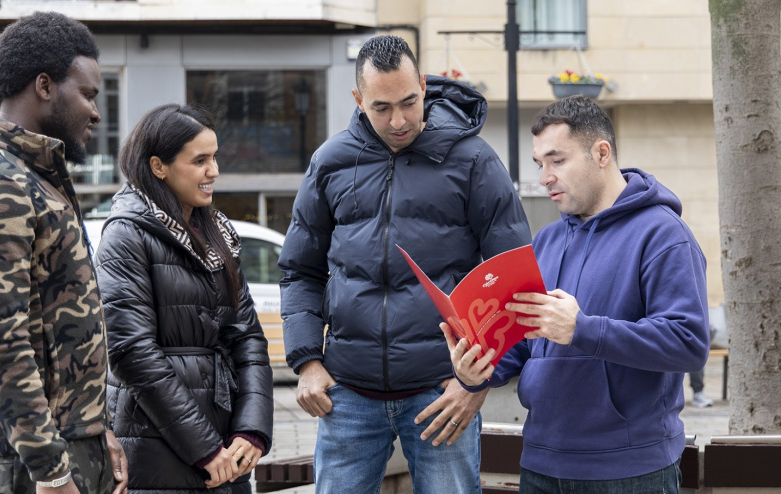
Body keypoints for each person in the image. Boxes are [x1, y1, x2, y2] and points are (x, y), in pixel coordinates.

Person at [278, 35, 531, 493]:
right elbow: (300, 271)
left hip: (443, 390)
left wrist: (475, 383)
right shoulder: (330, 162)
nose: (398, 121)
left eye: (409, 102)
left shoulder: (474, 160)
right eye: (381, 108)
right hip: (347, 393)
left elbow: (511, 275)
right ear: (358, 99)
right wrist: (307, 361)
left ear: (424, 85)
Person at [448, 95, 711, 493]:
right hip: (540, 462)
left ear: (601, 153)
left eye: (557, 160)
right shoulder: (546, 241)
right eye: (539, 164)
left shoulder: (664, 236)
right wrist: (479, 369)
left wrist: (581, 329)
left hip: (629, 470)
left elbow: (688, 343)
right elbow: (523, 341)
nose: (544, 177)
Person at [0, 12, 128, 494]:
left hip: (68, 444)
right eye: (87, 94)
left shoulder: (37, 179)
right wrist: (52, 471)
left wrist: (97, 428)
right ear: (45, 86)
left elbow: (63, 329)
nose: (95, 113)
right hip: (25, 462)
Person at [94, 103, 273, 493]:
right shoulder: (126, 235)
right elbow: (131, 351)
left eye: (215, 157)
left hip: (227, 451)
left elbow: (248, 338)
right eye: (200, 160)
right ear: (159, 166)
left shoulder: (218, 235)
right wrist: (204, 448)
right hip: (157, 449)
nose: (214, 171)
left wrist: (252, 429)